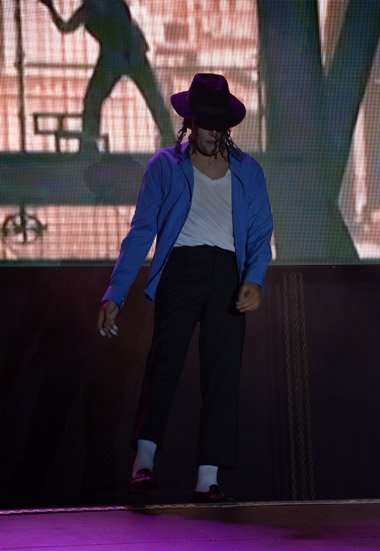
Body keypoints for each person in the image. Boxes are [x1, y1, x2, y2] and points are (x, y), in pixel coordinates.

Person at [97, 73, 274, 502]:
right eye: (205, 123)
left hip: (227, 274)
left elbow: (260, 233)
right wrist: (115, 293)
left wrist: (253, 278)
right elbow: (141, 232)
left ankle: (207, 477)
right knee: (165, 362)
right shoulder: (165, 165)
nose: (213, 132)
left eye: (219, 124)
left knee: (222, 372)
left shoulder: (248, 171)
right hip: (181, 268)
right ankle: (143, 463)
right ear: (190, 122)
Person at [38, 0, 175, 151]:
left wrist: (51, 8)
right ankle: (90, 143)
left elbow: (68, 27)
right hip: (124, 54)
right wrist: (51, 8)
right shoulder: (89, 8)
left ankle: (90, 144)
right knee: (151, 99)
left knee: (96, 99)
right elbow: (66, 27)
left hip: (120, 55)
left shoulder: (95, 7)